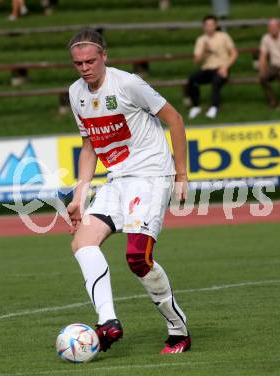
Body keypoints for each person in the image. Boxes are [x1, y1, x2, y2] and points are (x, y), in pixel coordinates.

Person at [66, 28, 191, 355]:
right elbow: (89, 145)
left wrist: (181, 174)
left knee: (138, 257)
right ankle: (108, 322)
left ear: (104, 56)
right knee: (82, 242)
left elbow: (174, 119)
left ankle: (178, 331)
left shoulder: (129, 84)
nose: (84, 68)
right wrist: (80, 193)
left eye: (90, 61)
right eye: (78, 63)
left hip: (151, 174)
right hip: (117, 179)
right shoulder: (76, 93)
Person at [187, 15, 238, 119]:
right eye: (207, 25)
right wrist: (204, 51)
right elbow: (196, 60)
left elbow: (234, 53)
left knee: (216, 81)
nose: (209, 27)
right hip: (207, 69)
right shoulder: (201, 40)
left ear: (216, 25)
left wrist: (225, 68)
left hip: (222, 68)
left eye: (212, 24)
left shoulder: (224, 36)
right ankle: (195, 106)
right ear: (204, 26)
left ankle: (214, 107)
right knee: (192, 79)